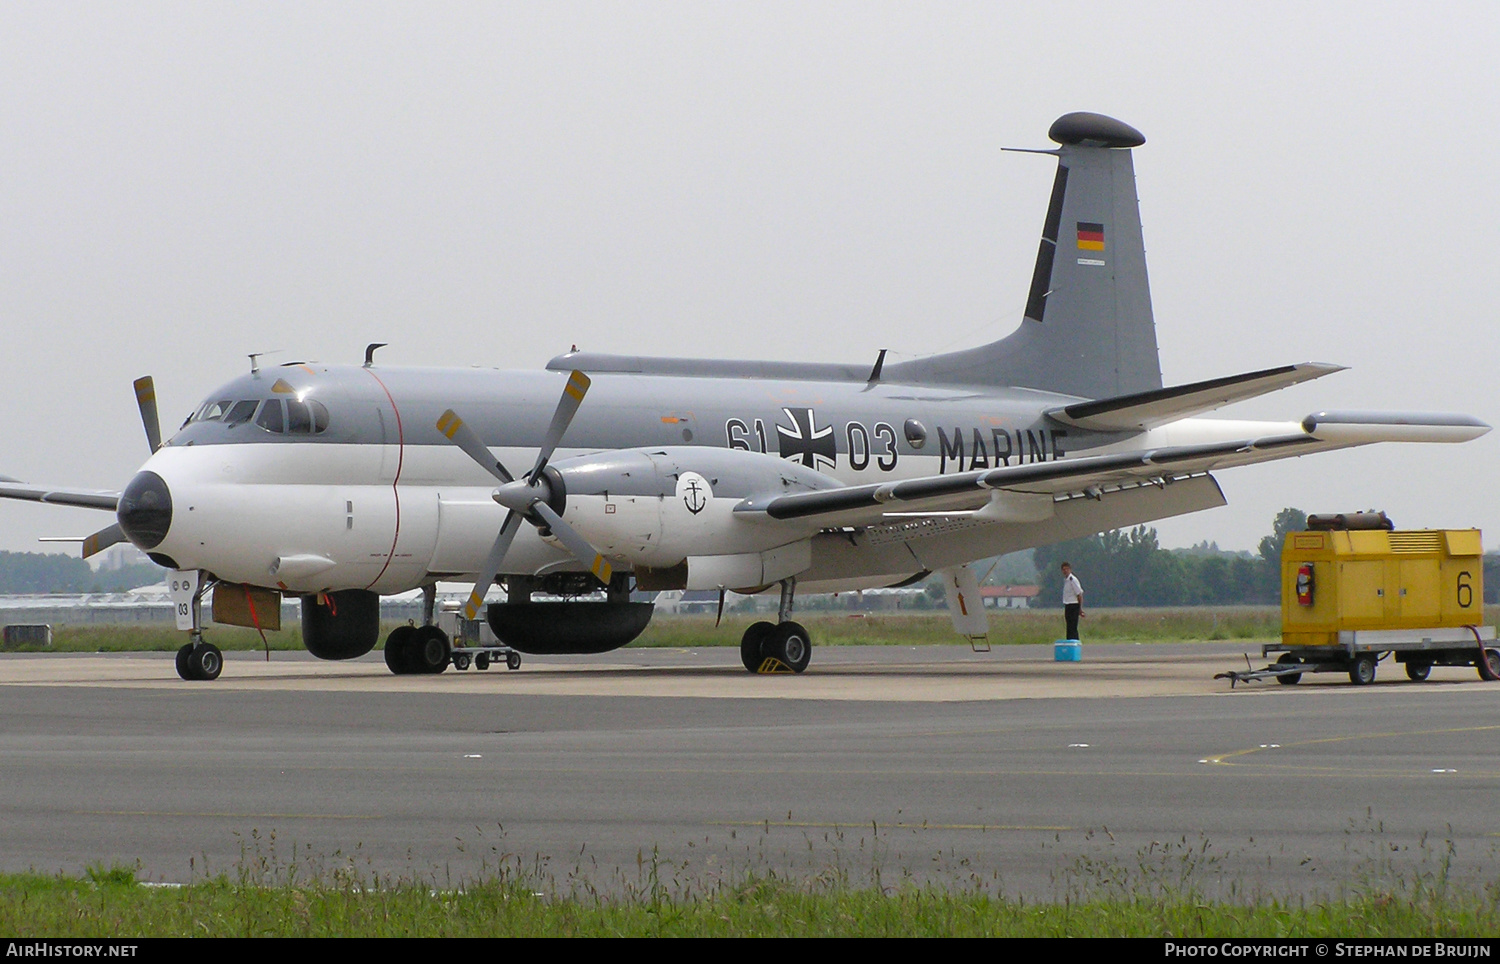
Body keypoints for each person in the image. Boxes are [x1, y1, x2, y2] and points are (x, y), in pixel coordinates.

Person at [1060, 562, 1084, 641]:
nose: (1065, 571)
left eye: (1067, 569)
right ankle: (1069, 642)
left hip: (1074, 605)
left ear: (1070, 570)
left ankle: (1074, 643)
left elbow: (1079, 594)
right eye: (1063, 569)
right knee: (1069, 627)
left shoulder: (1072, 580)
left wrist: (1080, 609)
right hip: (1068, 605)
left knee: (1073, 627)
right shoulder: (1066, 580)